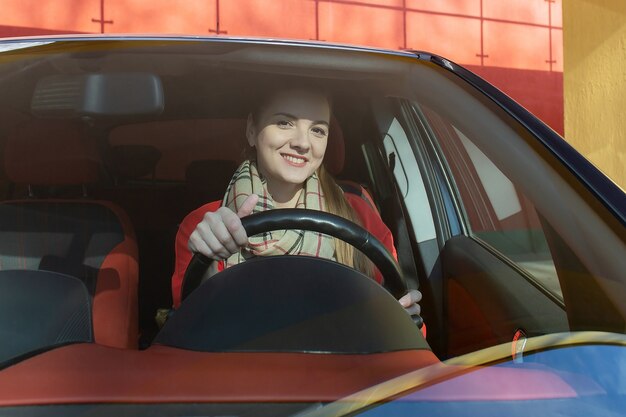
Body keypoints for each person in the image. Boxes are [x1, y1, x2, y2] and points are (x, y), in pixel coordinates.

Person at [170, 87, 421, 318]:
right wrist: (208, 265)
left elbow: (400, 316)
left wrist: (402, 318)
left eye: (318, 130)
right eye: (284, 122)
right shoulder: (208, 224)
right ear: (251, 130)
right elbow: (190, 331)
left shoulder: (359, 213)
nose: (302, 143)